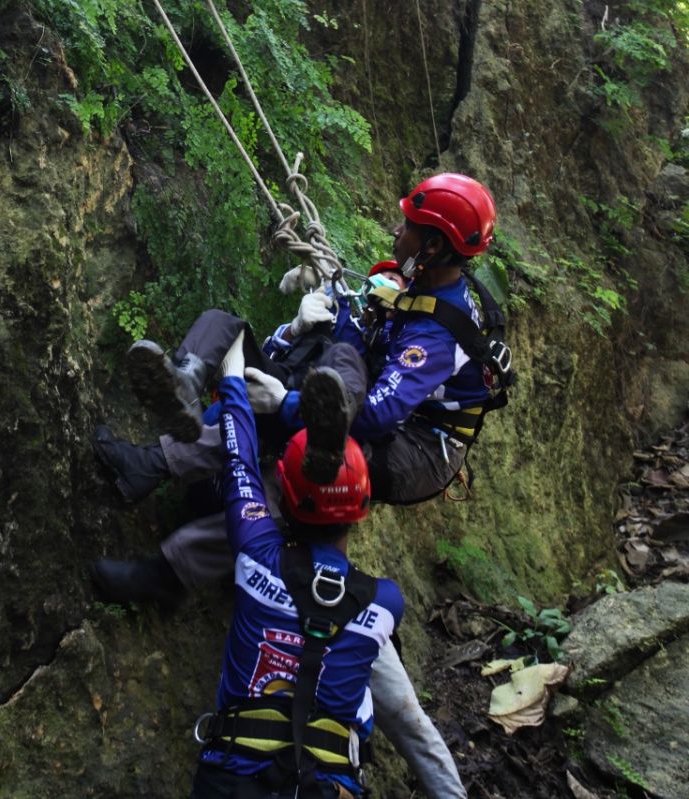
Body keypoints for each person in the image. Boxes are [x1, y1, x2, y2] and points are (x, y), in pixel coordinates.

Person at [103, 173, 501, 508]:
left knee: (289, 425)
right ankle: (184, 386)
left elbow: (377, 413)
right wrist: (312, 317)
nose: (397, 231)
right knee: (223, 326)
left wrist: (286, 402)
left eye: (409, 226)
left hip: (417, 449)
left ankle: (171, 489)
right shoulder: (421, 280)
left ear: (432, 246)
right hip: (361, 393)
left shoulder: (437, 335)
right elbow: (351, 351)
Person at [190, 330, 400, 798]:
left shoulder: (255, 553)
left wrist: (233, 386)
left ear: (283, 493)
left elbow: (241, 464)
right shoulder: (386, 604)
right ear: (365, 506)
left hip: (233, 777)